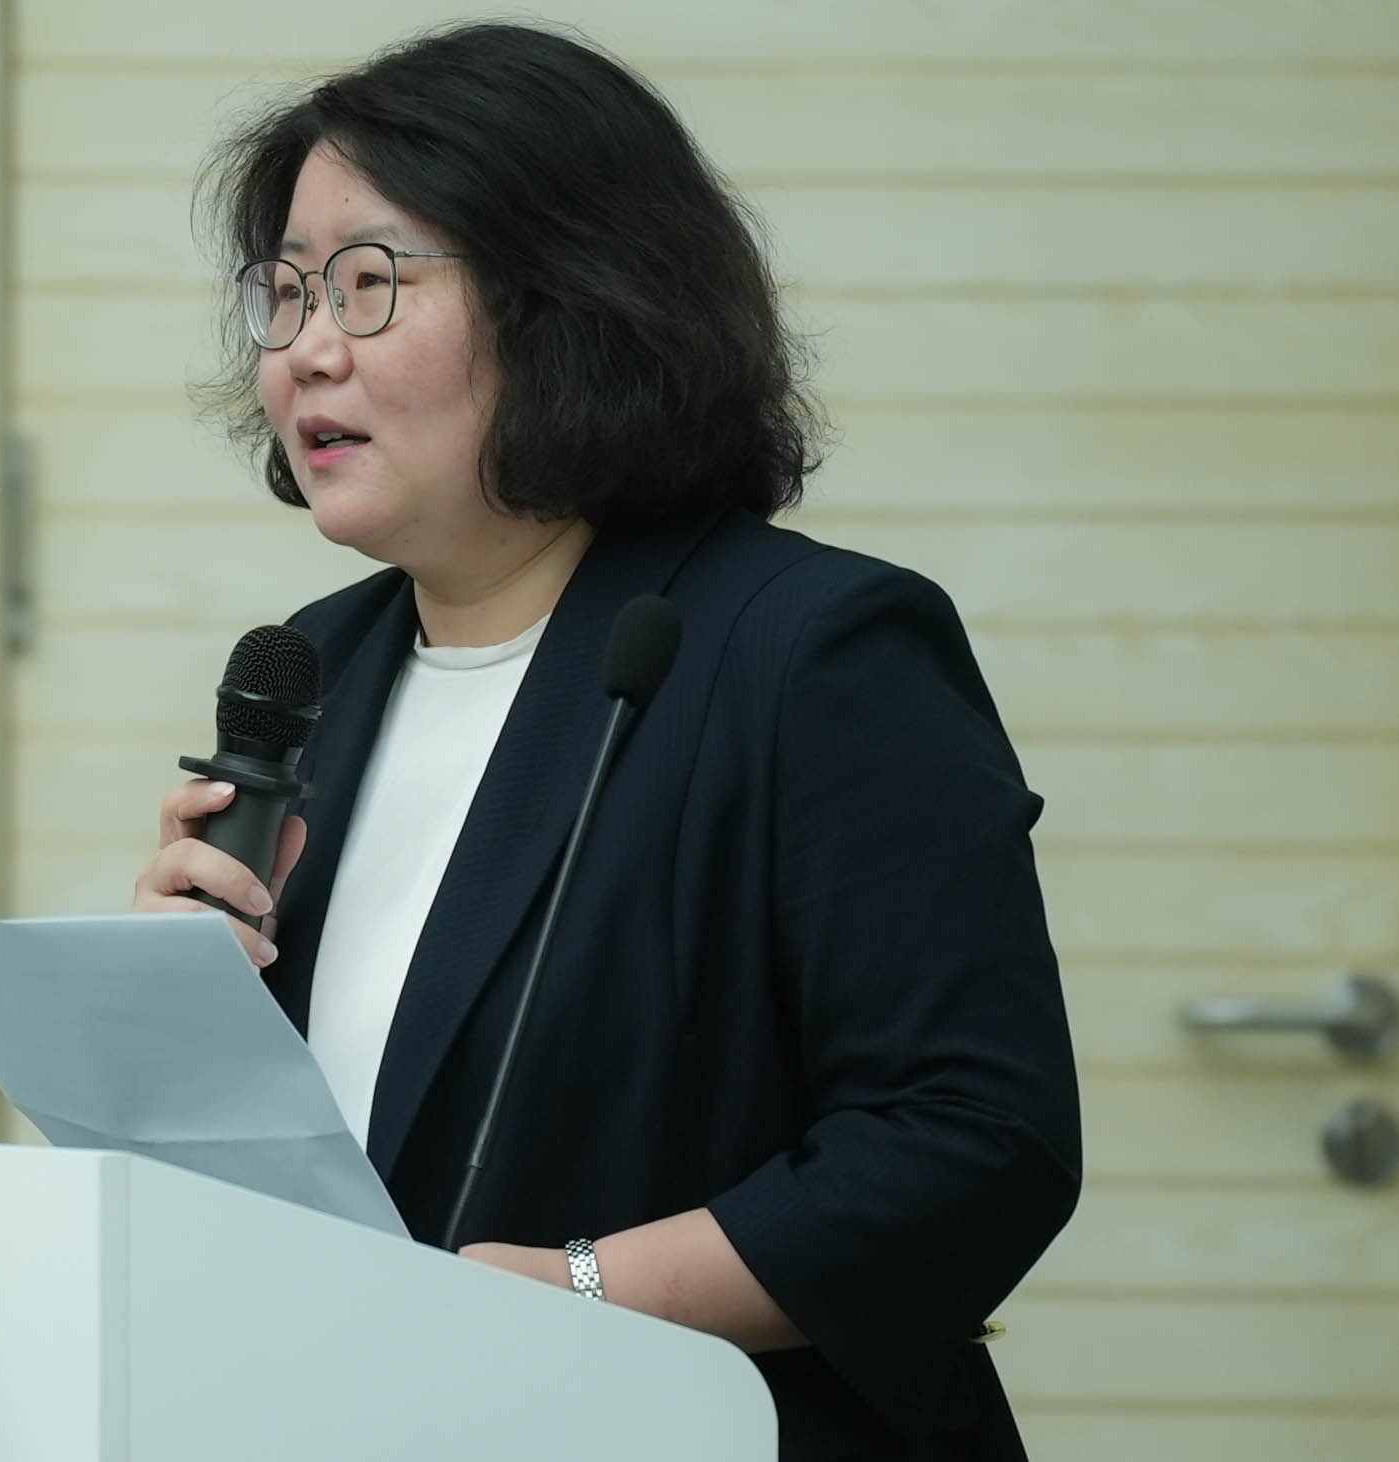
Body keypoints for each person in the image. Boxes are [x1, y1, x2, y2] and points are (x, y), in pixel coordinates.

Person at [127, 22, 1082, 1461]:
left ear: (568, 299)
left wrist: (582, 1292)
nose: (308, 349)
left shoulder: (808, 650)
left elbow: (971, 1142)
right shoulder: (322, 664)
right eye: (286, 291)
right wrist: (180, 1007)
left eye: (369, 285)